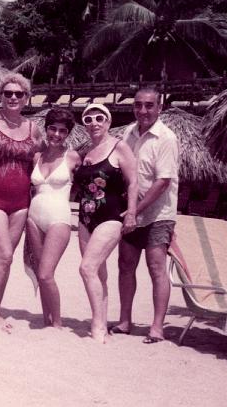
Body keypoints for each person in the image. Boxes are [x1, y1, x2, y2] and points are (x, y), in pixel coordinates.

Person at [111, 88, 179, 344]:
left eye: (149, 106)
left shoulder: (166, 138)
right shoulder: (128, 133)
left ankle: (157, 327)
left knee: (156, 268)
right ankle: (125, 320)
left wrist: (134, 212)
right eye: (138, 105)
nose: (143, 111)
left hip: (158, 214)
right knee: (125, 265)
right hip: (131, 211)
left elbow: (162, 182)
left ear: (159, 108)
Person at [0, 73, 42, 330]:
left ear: (26, 98)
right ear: (0, 96)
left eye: (19, 94)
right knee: (3, 255)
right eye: (8, 93)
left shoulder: (33, 128)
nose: (13, 97)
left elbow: (43, 158)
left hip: (21, 202)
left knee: (5, 258)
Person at [73, 103, 138, 343]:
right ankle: (103, 324)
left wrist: (131, 213)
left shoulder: (119, 148)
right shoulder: (86, 152)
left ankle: (98, 325)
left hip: (111, 216)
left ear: (108, 122)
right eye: (88, 120)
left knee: (86, 268)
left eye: (99, 118)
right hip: (84, 218)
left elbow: (133, 182)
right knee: (98, 272)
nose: (94, 123)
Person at [25, 108, 81, 328]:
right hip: (33, 217)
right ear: (46, 129)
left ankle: (57, 323)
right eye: (52, 129)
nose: (56, 134)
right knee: (40, 273)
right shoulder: (36, 156)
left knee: (47, 274)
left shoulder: (73, 156)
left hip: (59, 218)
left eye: (62, 131)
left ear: (68, 134)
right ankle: (46, 321)